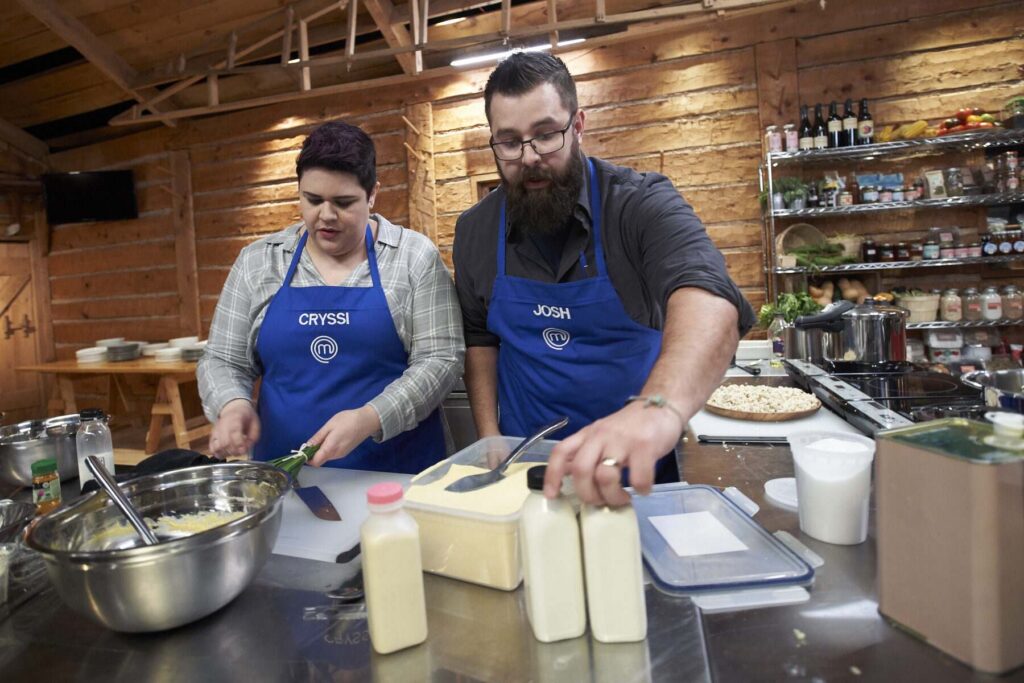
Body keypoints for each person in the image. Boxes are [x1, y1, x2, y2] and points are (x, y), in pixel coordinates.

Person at [452, 52, 755, 506]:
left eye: (546, 135)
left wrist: (655, 411)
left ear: (578, 126)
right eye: (510, 142)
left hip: (639, 474)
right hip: (529, 475)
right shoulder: (475, 230)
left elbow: (708, 295)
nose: (530, 157)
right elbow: (480, 337)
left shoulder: (639, 205)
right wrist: (490, 438)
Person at [198, 121, 464, 474]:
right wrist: (232, 405)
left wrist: (370, 418)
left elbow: (440, 360)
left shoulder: (413, 258)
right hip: (283, 477)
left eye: (343, 202)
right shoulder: (259, 261)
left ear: (372, 195)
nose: (326, 215)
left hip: (397, 475)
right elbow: (223, 359)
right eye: (312, 200)